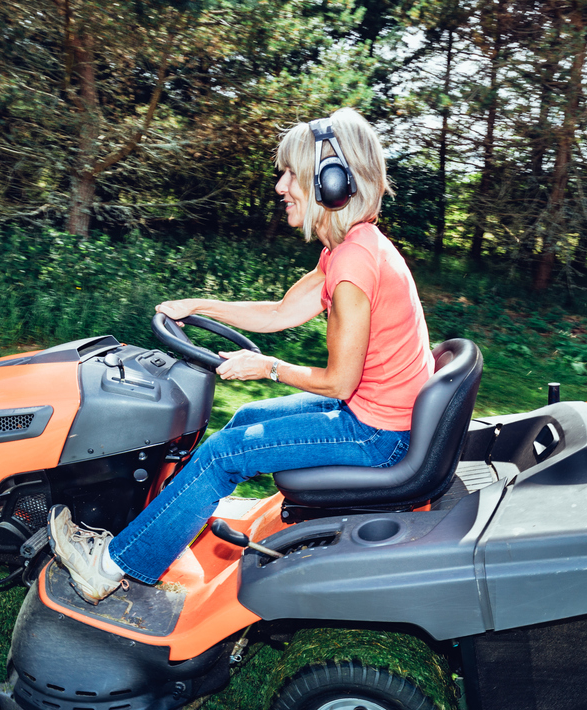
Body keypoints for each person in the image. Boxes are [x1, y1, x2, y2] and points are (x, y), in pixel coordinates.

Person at [48, 108, 433, 603]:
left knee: (222, 454)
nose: (280, 186)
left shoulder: (355, 265)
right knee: (245, 419)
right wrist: (199, 305)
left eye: (291, 174)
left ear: (330, 182)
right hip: (378, 418)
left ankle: (111, 565)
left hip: (378, 437)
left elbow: (340, 383)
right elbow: (280, 312)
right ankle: (164, 528)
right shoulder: (348, 247)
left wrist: (268, 367)